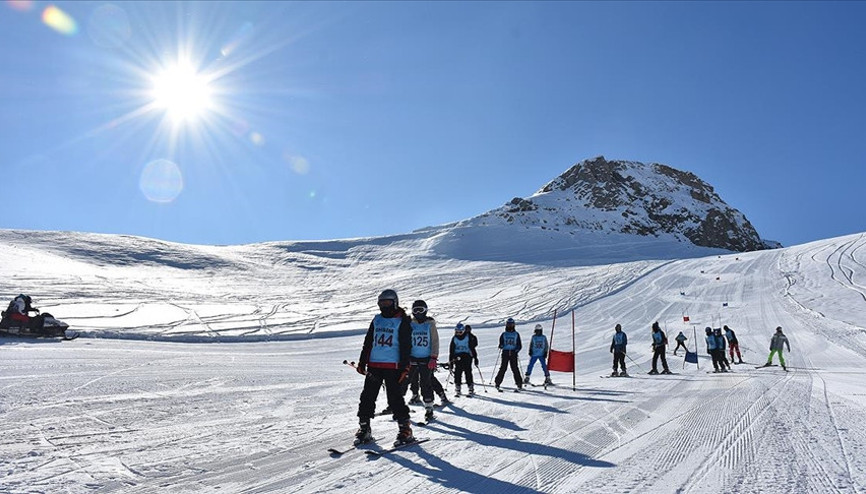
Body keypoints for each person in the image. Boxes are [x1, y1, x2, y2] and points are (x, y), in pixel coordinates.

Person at [354, 289, 414, 446]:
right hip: (374, 365)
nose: (384, 306)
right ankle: (364, 428)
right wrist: (362, 362)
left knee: (395, 398)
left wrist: (405, 368)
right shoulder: (377, 320)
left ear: (395, 303)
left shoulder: (403, 321)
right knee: (367, 396)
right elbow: (368, 342)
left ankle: (405, 429)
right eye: (381, 303)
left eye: (387, 303)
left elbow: (407, 346)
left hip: (393, 366)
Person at [404, 300, 439, 422]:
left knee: (426, 382)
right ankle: (398, 405)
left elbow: (434, 341)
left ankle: (429, 408)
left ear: (425, 311)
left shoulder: (430, 324)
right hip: (412, 358)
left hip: (426, 358)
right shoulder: (410, 324)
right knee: (405, 380)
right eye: (415, 310)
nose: (418, 313)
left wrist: (433, 357)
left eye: (421, 310)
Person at [494, 317, 524, 390]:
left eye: (511, 324)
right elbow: (501, 342)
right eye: (509, 324)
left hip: (513, 353)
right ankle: (497, 382)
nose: (510, 326)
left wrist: (517, 349)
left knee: (515, 368)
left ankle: (519, 383)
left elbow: (519, 344)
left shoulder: (516, 334)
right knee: (503, 368)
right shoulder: (504, 334)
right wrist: (501, 346)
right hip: (505, 352)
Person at [449, 323, 477, 396]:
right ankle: (458, 389)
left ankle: (470, 388)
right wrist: (451, 362)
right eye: (457, 332)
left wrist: (475, 358)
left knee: (468, 372)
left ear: (463, 331)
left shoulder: (468, 337)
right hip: (458, 357)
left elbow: (472, 348)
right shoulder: (454, 339)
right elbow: (451, 351)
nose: (458, 334)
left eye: (460, 332)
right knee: (458, 372)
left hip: (467, 356)